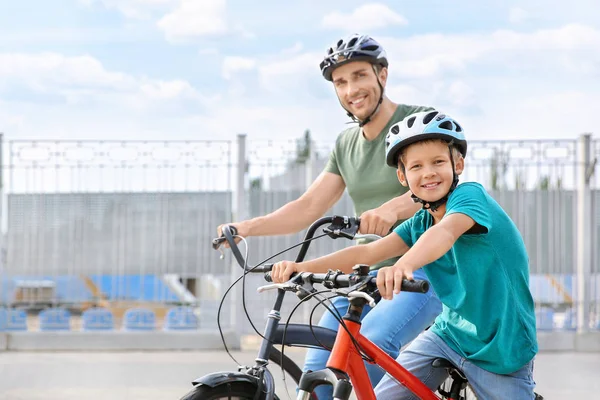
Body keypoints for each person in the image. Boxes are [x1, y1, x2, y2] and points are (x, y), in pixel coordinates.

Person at [218, 34, 442, 399]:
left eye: (359, 76)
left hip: (419, 271)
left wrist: (393, 208)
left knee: (370, 345)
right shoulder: (346, 144)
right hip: (361, 275)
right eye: (341, 82)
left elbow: (439, 186)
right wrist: (246, 227)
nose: (352, 89)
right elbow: (308, 208)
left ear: (382, 75)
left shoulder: (416, 122)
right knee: (319, 371)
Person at [272, 110, 539, 399]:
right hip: (449, 336)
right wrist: (300, 266)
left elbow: (446, 232)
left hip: (502, 346)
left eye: (438, 161)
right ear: (402, 175)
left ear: (458, 163)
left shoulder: (470, 196)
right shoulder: (421, 221)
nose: (428, 173)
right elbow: (369, 251)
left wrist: (403, 266)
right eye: (416, 166)